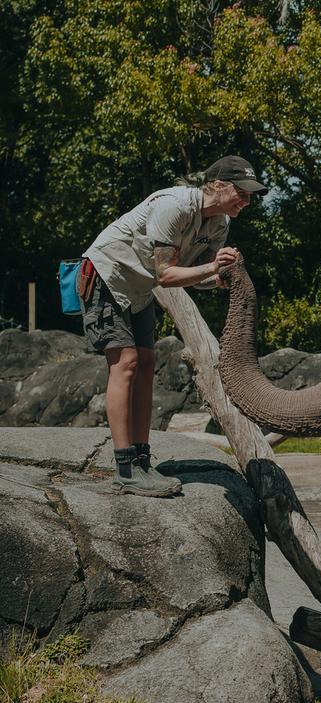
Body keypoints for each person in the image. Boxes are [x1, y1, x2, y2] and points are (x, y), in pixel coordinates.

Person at [80, 155, 265, 497]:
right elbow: (166, 275)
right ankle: (125, 470)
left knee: (147, 365)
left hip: (139, 288)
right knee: (127, 363)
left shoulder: (219, 224)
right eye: (242, 192)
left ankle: (142, 459)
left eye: (251, 195)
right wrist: (212, 269)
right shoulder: (174, 206)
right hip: (106, 276)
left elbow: (192, 277)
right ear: (219, 185)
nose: (247, 200)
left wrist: (219, 279)